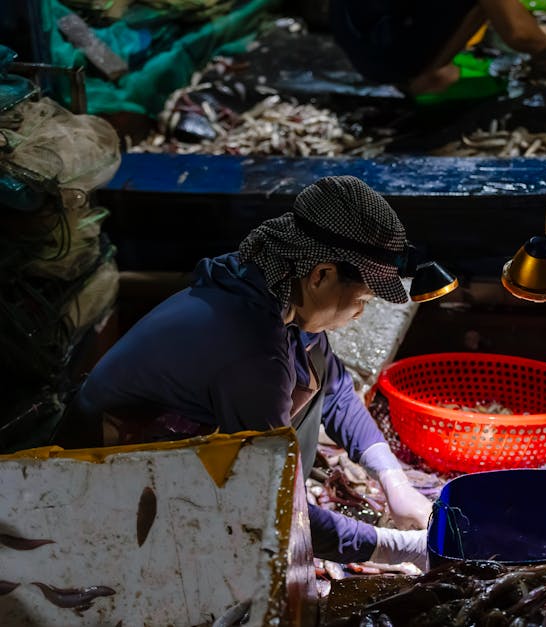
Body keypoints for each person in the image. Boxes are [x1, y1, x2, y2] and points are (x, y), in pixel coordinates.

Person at [56, 176, 434, 568]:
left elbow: (335, 388)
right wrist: (396, 547)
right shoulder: (251, 347)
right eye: (363, 299)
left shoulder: (271, 284)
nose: (362, 312)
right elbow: (268, 499)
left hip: (165, 444)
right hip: (95, 476)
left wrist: (394, 481)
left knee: (313, 379)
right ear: (321, 274)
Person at [329, 0, 546, 95]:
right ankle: (422, 77)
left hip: (351, 34)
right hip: (383, 54)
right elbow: (520, 34)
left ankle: (418, 72)